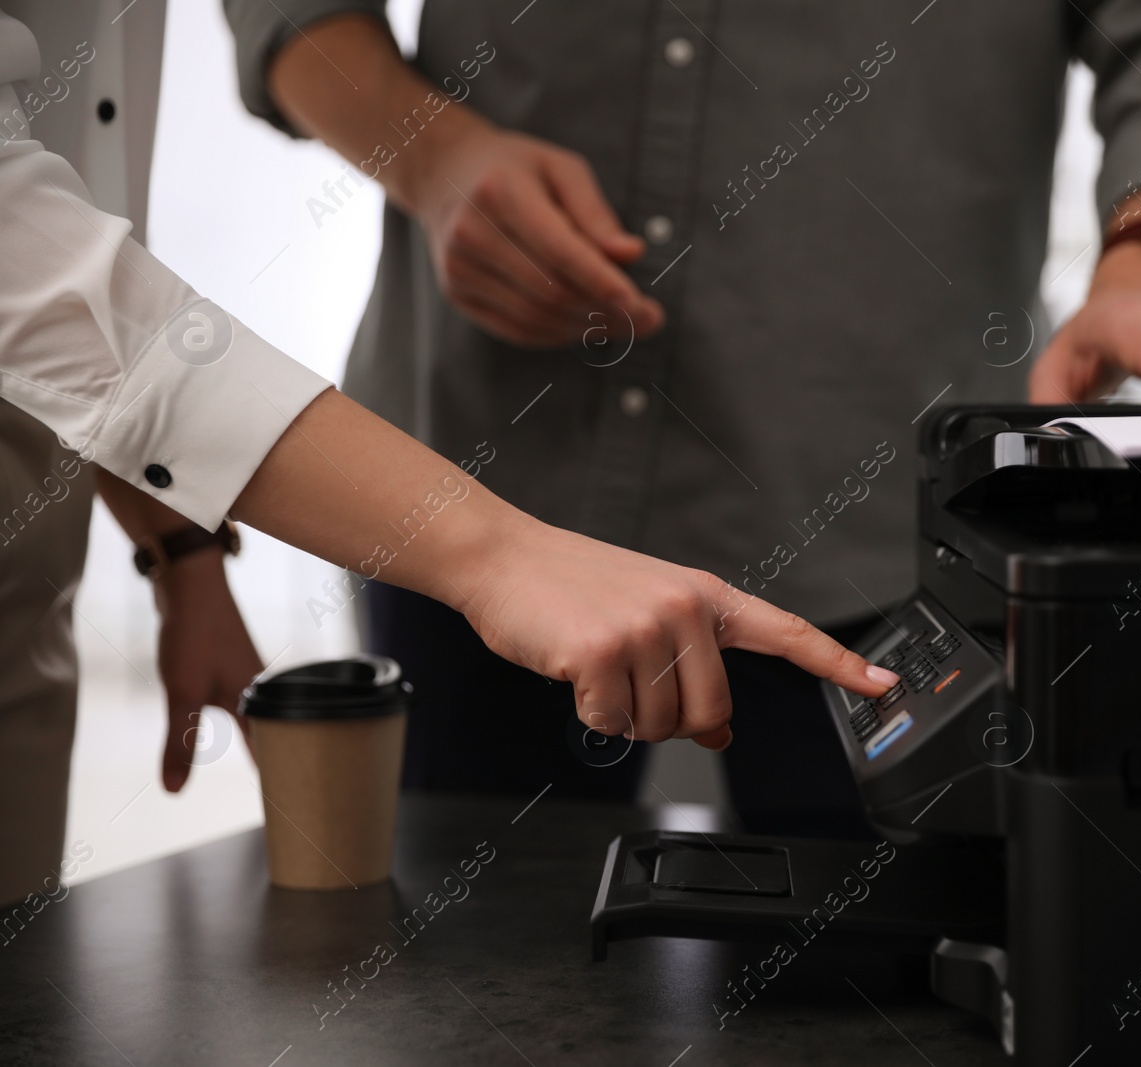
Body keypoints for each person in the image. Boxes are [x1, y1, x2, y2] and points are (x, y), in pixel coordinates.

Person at [225, 0, 1141, 833]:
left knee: (871, 1008)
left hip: (881, 533)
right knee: (454, 982)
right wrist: (433, 156)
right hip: (476, 466)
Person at [0, 1, 895, 906]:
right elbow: (31, 254)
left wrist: (180, 555)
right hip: (460, 480)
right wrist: (493, 552)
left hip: (865, 526)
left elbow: (70, 263)